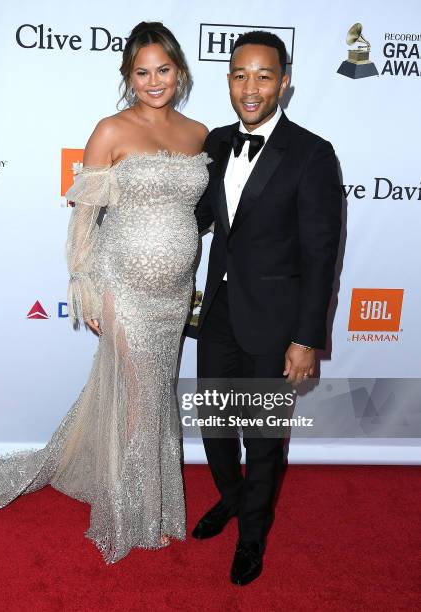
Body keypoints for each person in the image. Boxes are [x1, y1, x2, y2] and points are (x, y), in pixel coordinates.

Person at [0, 21, 209, 565]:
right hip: (123, 284)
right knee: (140, 395)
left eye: (163, 70)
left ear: (179, 71)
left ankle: (147, 501)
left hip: (174, 290)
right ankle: (133, 512)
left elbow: (196, 214)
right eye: (142, 72)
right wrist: (85, 287)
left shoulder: (199, 132)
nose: (154, 81)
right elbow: (84, 221)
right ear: (128, 77)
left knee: (155, 393)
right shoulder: (110, 130)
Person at [193, 31, 342, 585]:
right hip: (220, 313)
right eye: (239, 75)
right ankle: (231, 499)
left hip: (277, 323)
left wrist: (306, 339)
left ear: (283, 82)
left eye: (262, 75)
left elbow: (321, 254)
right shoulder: (213, 144)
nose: (250, 87)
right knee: (213, 423)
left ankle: (252, 536)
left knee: (260, 435)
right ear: (228, 80)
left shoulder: (311, 153)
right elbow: (199, 219)